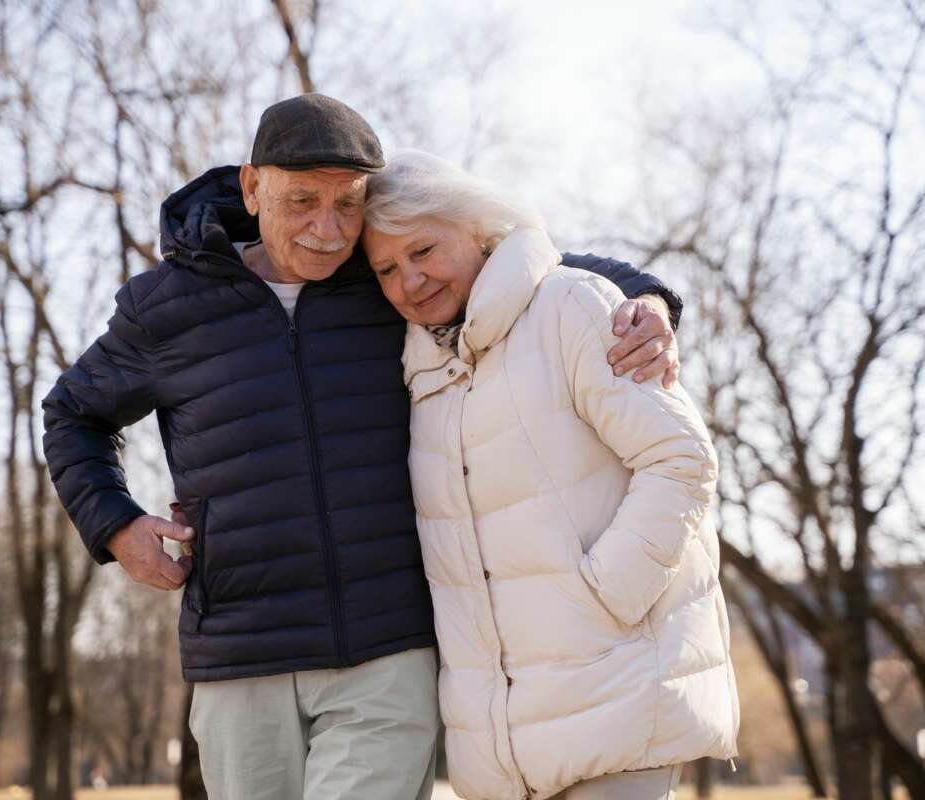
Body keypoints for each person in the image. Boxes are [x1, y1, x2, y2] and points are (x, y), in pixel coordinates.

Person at [42, 94, 683, 800]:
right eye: (302, 201)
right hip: (239, 653)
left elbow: (526, 267)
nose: (327, 229)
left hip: (387, 652)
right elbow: (73, 414)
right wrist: (116, 525)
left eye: (347, 204)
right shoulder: (167, 305)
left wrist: (646, 301)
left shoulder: (386, 279)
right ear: (252, 188)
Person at [362, 149, 739, 800]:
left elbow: (680, 458)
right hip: (504, 752)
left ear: (478, 229)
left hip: (615, 705)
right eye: (387, 269)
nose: (409, 281)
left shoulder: (571, 307)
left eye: (423, 251)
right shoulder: (421, 374)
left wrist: (602, 599)